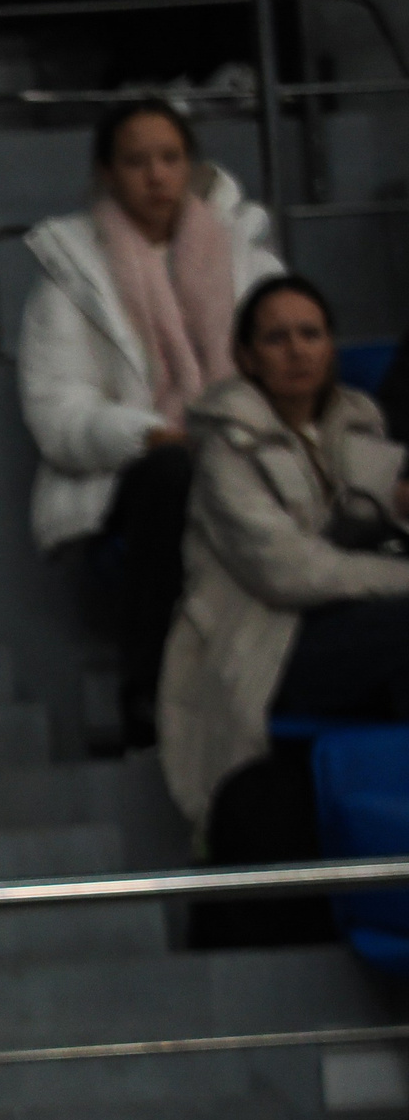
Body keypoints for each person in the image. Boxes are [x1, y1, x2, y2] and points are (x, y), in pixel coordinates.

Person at [19, 99, 280, 745]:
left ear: (191, 166)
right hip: (130, 479)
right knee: (174, 473)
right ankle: (153, 692)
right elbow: (58, 414)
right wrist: (145, 433)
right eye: (137, 161)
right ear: (107, 173)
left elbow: (291, 378)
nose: (157, 176)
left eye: (170, 159)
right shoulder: (69, 285)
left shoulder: (253, 266)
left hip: (243, 456)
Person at [159, 277, 409, 858]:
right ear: (245, 357)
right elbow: (289, 573)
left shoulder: (357, 426)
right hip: (261, 646)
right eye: (276, 338)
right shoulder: (226, 447)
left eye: (310, 334)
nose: (297, 351)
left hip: (348, 631)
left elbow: (381, 493)